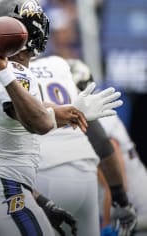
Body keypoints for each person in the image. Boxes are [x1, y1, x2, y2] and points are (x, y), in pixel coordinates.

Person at [0, 0, 124, 236]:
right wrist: (6, 75)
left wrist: (71, 110)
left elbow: (29, 109)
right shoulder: (13, 73)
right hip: (2, 193)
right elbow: (37, 122)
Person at [29, 55, 137, 236]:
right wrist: (121, 198)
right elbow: (102, 143)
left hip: (40, 175)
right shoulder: (57, 64)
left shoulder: (4, 76)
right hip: (84, 172)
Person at [67, 59, 146, 235]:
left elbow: (116, 180)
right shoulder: (95, 116)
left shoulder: (98, 121)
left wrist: (108, 225)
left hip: (135, 213)